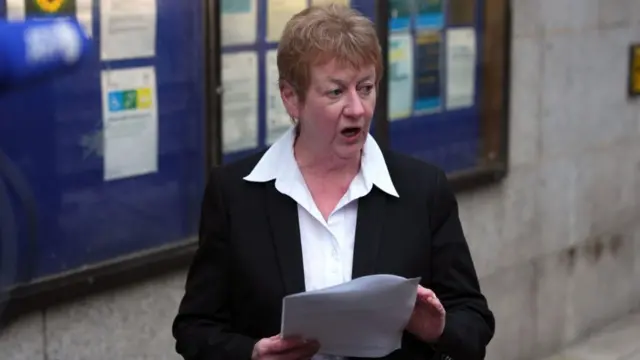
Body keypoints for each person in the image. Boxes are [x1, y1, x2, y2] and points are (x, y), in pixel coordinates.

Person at [172, 4, 494, 360]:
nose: (357, 108)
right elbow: (194, 329)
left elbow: (475, 321)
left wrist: (437, 328)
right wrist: (251, 354)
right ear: (291, 97)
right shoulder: (235, 194)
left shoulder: (422, 189)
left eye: (366, 87)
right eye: (336, 92)